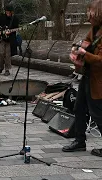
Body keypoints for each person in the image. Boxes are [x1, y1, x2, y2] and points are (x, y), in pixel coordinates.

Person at [62, 0, 102, 157]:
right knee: (79, 108)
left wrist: (85, 54)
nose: (88, 15)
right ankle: (79, 141)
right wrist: (76, 51)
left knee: (97, 113)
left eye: (91, 12)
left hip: (98, 80)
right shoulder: (94, 30)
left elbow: (99, 60)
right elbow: (83, 45)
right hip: (88, 75)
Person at [0, 4, 19, 76]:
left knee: (7, 54)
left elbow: (16, 28)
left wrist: (10, 31)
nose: (8, 13)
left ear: (11, 12)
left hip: (9, 39)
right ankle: (0, 67)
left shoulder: (14, 19)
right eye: (6, 12)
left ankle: (7, 69)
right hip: (1, 38)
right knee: (1, 53)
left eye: (9, 12)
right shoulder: (0, 16)